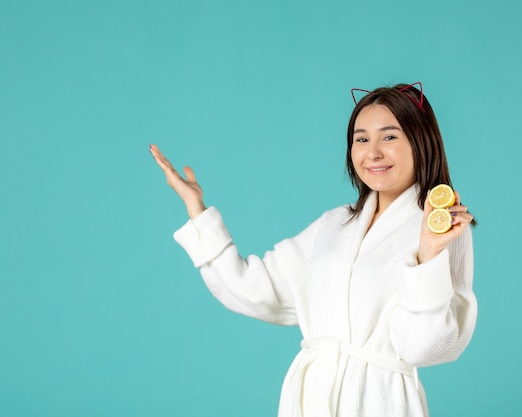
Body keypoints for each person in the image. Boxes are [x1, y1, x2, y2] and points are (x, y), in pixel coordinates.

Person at [149, 82, 477, 417]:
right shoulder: (334, 225)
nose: (373, 152)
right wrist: (197, 209)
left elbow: (422, 348)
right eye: (361, 138)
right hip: (310, 400)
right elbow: (253, 289)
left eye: (389, 136)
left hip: (380, 402)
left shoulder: (442, 230)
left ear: (421, 142)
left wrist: (428, 257)